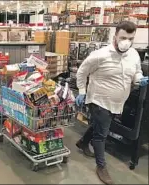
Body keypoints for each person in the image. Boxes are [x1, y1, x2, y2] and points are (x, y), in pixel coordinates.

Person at [75, 21, 149, 185]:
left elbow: (136, 72)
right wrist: (81, 91)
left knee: (100, 126)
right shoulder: (100, 55)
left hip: (118, 102)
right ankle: (101, 167)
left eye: (130, 38)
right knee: (101, 134)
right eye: (123, 37)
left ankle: (82, 142)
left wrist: (139, 79)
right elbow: (82, 71)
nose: (126, 42)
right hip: (99, 100)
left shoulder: (134, 55)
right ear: (115, 35)